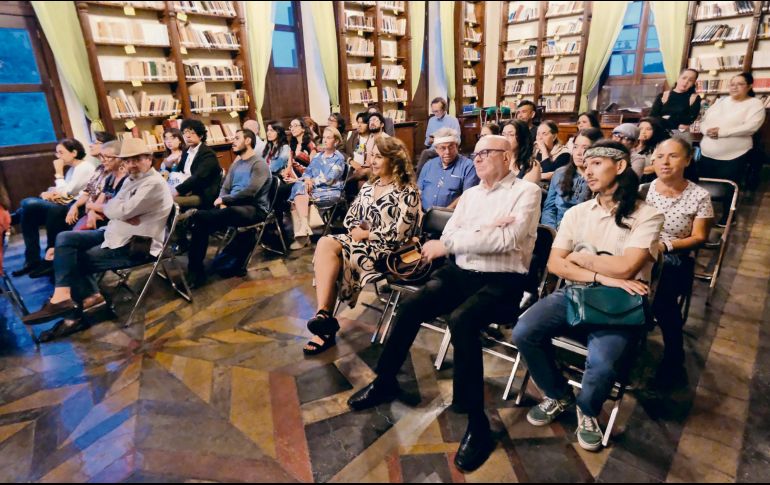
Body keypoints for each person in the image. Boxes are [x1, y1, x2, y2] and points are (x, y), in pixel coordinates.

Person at [347, 134, 542, 473]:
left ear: (507, 157)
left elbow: (507, 239)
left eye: (486, 153)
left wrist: (468, 237)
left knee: (463, 320)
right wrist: (482, 231)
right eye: (476, 153)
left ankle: (477, 426)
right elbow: (447, 236)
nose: (477, 158)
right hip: (461, 272)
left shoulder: (526, 192)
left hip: (504, 281)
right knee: (411, 307)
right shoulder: (471, 195)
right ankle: (386, 380)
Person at [512, 140, 664, 453]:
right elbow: (556, 264)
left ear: (619, 167)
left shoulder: (647, 215)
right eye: (586, 163)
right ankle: (558, 394)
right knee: (524, 331)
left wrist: (582, 259)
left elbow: (627, 266)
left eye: (596, 163)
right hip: (578, 291)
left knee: (603, 364)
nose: (587, 169)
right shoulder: (579, 212)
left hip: (620, 304)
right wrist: (600, 274)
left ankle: (588, 409)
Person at [21, 138, 173, 339]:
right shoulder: (131, 179)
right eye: (128, 160)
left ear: (149, 158)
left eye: (137, 159)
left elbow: (118, 209)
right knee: (65, 238)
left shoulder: (153, 183)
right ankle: (65, 296)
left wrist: (115, 211)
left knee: (73, 259)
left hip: (136, 243)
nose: (132, 164)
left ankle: (74, 318)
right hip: (116, 232)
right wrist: (117, 211)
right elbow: (115, 208)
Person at [302, 136, 420, 355]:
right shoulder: (368, 186)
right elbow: (350, 218)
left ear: (394, 160)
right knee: (326, 243)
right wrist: (357, 231)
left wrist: (366, 233)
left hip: (388, 251)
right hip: (359, 242)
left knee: (336, 259)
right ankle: (323, 316)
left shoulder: (408, 191)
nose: (372, 161)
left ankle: (324, 327)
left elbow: (400, 233)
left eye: (379, 156)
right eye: (371, 155)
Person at [645, 137, 713, 387]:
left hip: (675, 256)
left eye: (673, 156)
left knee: (662, 296)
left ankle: (674, 356)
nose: (665, 162)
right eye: (660, 156)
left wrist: (666, 246)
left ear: (687, 159)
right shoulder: (645, 189)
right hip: (641, 249)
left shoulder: (699, 196)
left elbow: (699, 237)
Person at [186, 129, 271, 288]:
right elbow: (225, 187)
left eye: (237, 138)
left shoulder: (259, 164)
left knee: (200, 217)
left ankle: (195, 270)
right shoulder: (236, 163)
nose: (233, 141)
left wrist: (226, 200)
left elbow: (251, 192)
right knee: (200, 224)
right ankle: (195, 272)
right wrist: (223, 200)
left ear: (248, 141)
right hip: (232, 207)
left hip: (254, 208)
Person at [12, 138, 95, 278]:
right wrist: (52, 192)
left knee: (28, 203)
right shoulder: (73, 169)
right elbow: (61, 190)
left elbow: (67, 192)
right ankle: (32, 261)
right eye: (57, 153)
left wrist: (58, 172)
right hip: (63, 204)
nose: (58, 157)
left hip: (74, 207)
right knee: (28, 212)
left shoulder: (84, 167)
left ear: (74, 152)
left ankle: (10, 219)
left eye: (61, 153)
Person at [698, 72, 766, 185]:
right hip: (706, 154)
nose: (734, 87)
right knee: (705, 188)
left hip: (734, 156)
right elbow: (704, 120)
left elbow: (751, 127)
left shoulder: (755, 104)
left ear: (749, 86)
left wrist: (722, 133)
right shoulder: (721, 101)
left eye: (740, 84)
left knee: (728, 190)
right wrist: (706, 131)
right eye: (732, 84)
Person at [286, 127, 347, 250]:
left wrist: (312, 181)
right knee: (299, 187)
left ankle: (302, 237)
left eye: (328, 138)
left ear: (336, 141)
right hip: (313, 189)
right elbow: (307, 172)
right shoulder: (318, 156)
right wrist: (308, 179)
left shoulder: (338, 158)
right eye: (324, 137)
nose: (324, 140)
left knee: (296, 198)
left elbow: (329, 179)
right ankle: (304, 227)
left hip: (331, 190)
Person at [541, 127, 602, 229]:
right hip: (557, 228)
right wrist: (551, 232)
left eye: (585, 148)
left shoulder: (599, 179)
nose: (578, 153)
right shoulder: (560, 173)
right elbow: (549, 208)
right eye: (575, 147)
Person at [66, 140, 127, 232]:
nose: (103, 160)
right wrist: (91, 211)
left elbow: (116, 210)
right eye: (101, 156)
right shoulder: (109, 177)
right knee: (65, 235)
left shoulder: (127, 179)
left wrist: (91, 207)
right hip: (99, 214)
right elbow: (93, 198)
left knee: (65, 236)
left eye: (107, 157)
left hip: (114, 223)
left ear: (120, 158)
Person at [417, 128, 478, 210]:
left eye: (451, 147)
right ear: (436, 150)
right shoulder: (429, 165)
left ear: (456, 146)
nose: (447, 152)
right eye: (443, 148)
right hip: (423, 216)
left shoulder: (468, 166)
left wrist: (443, 214)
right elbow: (418, 191)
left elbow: (467, 196)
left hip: (451, 217)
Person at [173, 119, 222, 211]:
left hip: (201, 195)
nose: (187, 136)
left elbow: (198, 177)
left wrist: (177, 190)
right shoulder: (186, 152)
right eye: (184, 133)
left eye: (192, 133)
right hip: (186, 191)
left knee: (169, 202)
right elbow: (179, 172)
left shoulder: (207, 154)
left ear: (201, 135)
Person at [650, 68, 701, 133]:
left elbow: (689, 120)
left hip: (680, 134)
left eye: (690, 80)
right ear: (678, 78)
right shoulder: (663, 95)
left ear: (693, 83)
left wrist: (667, 118)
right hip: (660, 131)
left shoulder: (694, 98)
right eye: (684, 78)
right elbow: (652, 117)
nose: (686, 82)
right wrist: (677, 122)